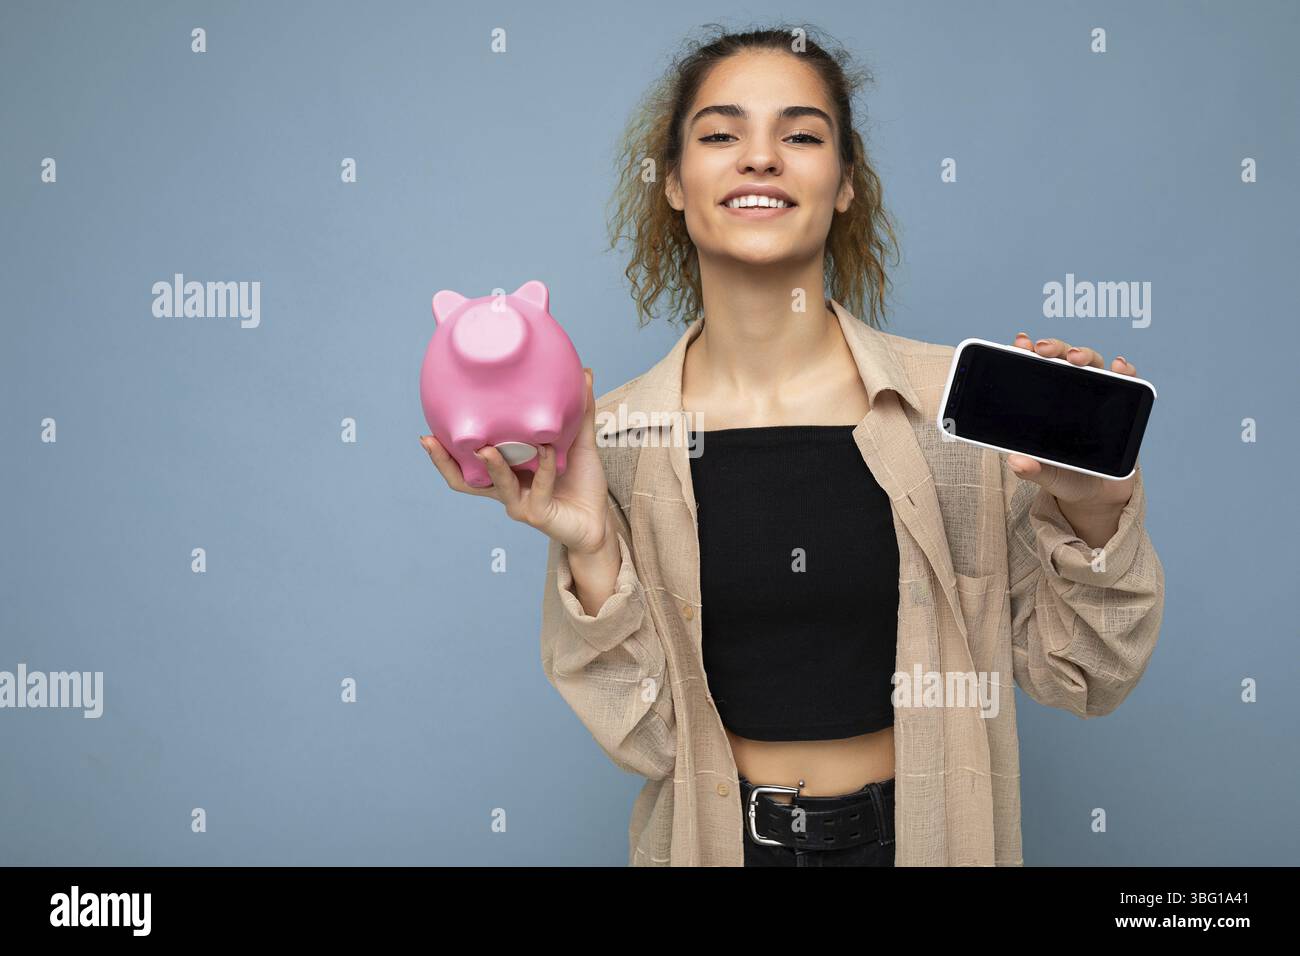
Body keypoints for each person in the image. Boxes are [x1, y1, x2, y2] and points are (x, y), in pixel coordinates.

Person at [420, 24, 1165, 867]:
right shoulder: (616, 439)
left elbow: (1087, 675)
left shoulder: (953, 416)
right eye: (721, 134)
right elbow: (649, 742)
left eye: (802, 135)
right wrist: (592, 545)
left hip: (925, 842)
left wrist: (1095, 510)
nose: (761, 157)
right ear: (672, 181)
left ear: (845, 184)